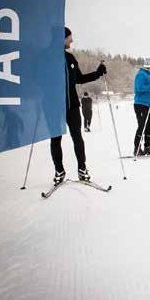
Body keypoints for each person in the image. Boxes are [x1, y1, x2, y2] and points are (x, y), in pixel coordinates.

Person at [50, 27, 107, 184]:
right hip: (54, 106)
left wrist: (98, 73)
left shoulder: (69, 58)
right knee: (55, 139)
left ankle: (82, 169)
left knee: (78, 138)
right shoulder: (45, 57)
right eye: (69, 37)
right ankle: (59, 171)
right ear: (61, 38)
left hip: (73, 105)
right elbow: (36, 78)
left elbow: (80, 79)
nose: (72, 41)